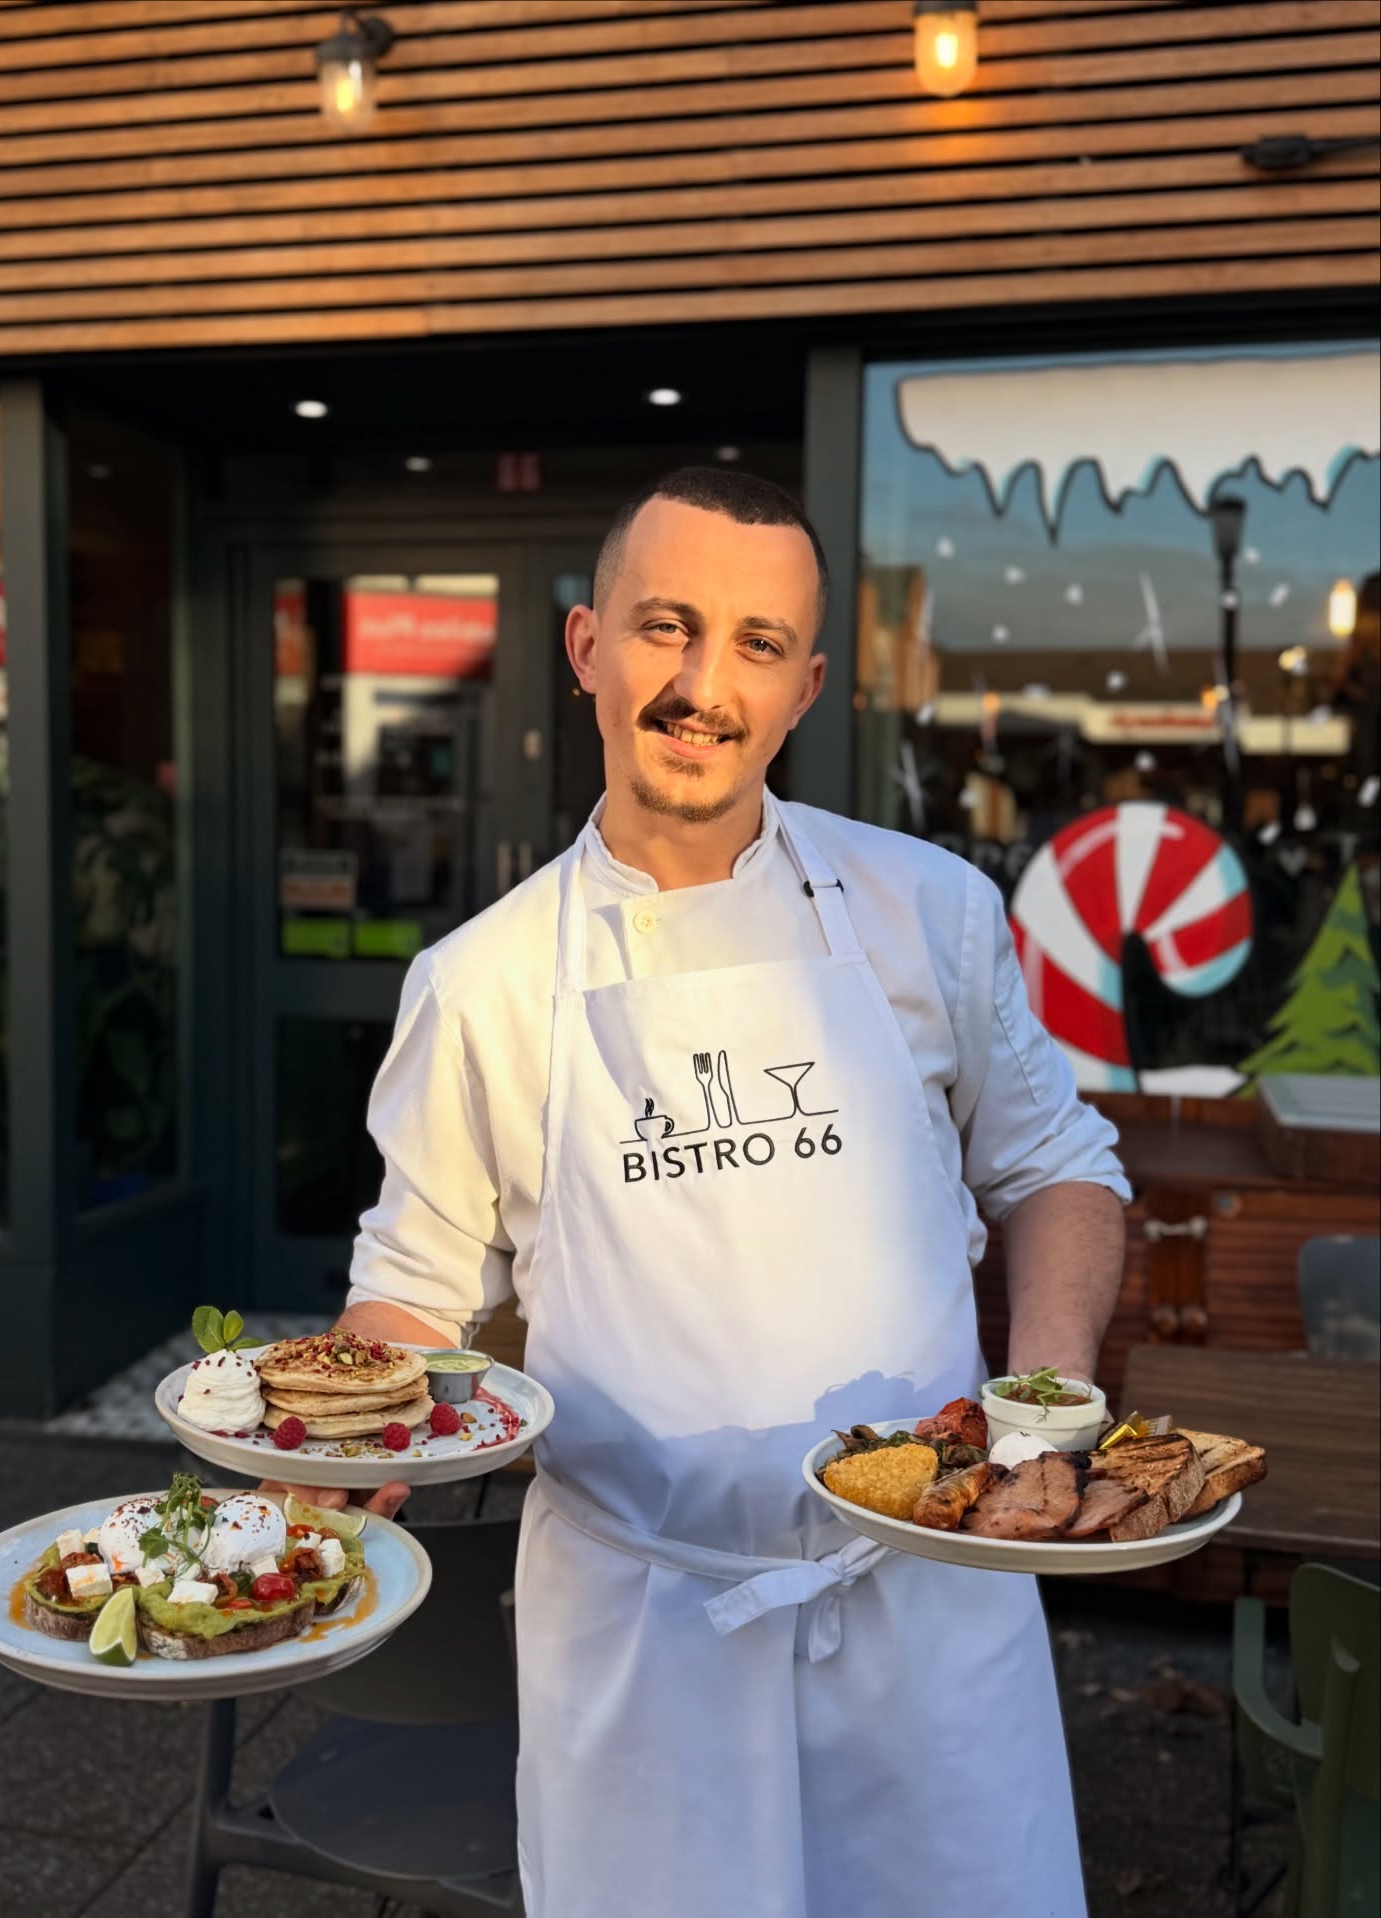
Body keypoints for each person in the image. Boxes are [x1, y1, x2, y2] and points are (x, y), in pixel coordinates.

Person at [277, 468, 1129, 1918]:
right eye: (666, 627)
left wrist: (1039, 1404)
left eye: (752, 643)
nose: (700, 683)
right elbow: (413, 1291)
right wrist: (325, 1454)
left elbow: (1061, 1164)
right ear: (587, 647)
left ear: (803, 688)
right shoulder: (480, 983)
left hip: (930, 1610)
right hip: (644, 1636)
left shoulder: (929, 911)